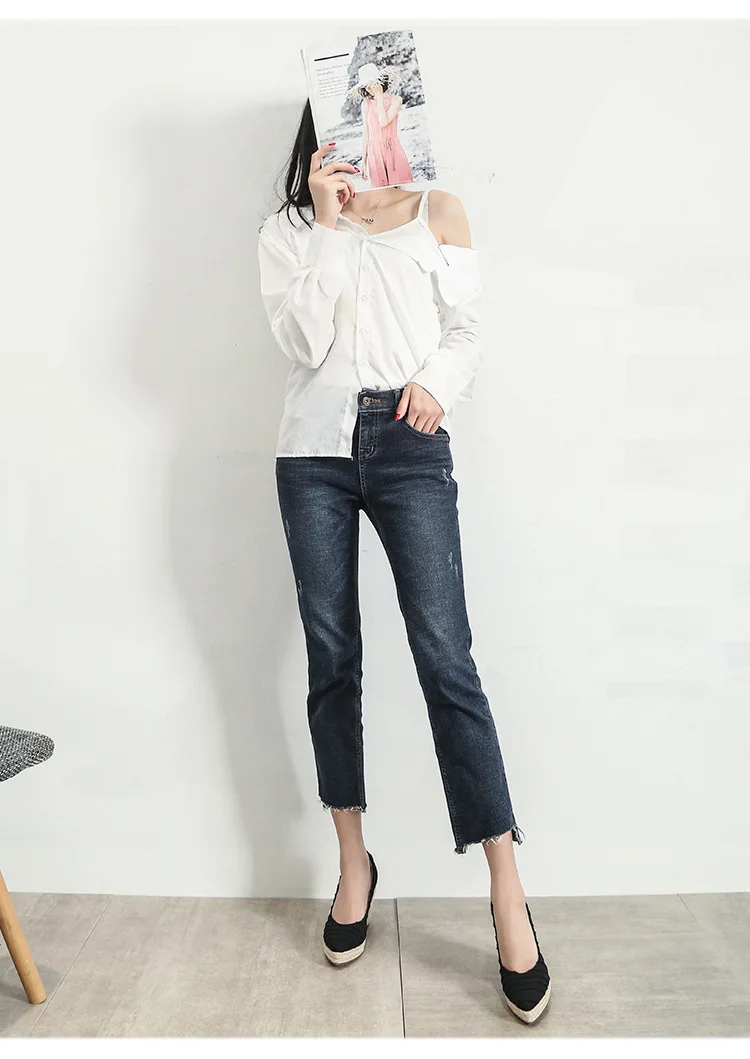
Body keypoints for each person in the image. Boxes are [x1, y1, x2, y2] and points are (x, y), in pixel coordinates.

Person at [257, 99, 551, 1024]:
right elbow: (303, 344)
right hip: (312, 455)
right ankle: (353, 863)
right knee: (331, 658)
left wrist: (432, 383)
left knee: (445, 658)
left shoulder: (438, 211)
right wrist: (328, 222)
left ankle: (506, 886)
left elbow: (466, 332)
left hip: (411, 444)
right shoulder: (289, 231)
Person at [346, 61, 414, 187]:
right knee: (382, 192)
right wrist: (364, 161)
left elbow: (383, 122)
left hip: (393, 149)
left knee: (402, 189)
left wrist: (379, 97)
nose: (369, 88)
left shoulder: (396, 100)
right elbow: (366, 133)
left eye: (371, 84)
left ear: (379, 82)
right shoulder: (366, 104)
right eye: (366, 86)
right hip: (375, 152)